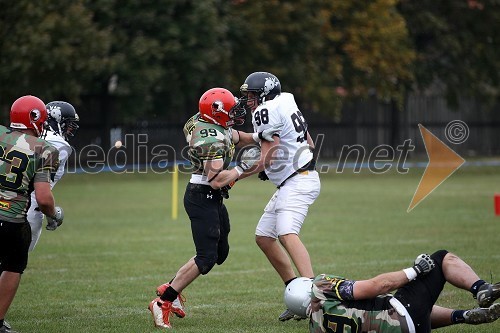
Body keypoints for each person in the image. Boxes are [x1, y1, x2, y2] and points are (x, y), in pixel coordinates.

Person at [148, 87, 282, 329]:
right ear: (216, 114)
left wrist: (258, 136)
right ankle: (163, 301)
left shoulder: (206, 121)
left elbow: (234, 136)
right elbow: (217, 179)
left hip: (211, 196)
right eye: (230, 111)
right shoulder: (209, 140)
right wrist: (246, 167)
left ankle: (171, 288)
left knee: (220, 253)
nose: (235, 115)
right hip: (203, 195)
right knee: (207, 257)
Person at [237, 71, 321, 321]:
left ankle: (315, 300)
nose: (248, 101)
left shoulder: (265, 111)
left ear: (263, 94)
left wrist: (233, 176)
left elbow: (267, 157)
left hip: (298, 180)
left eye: (251, 95)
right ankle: (295, 291)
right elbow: (309, 141)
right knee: (264, 237)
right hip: (296, 177)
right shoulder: (285, 99)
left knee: (286, 233)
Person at [283, 250, 500, 332]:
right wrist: (415, 270)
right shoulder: (320, 286)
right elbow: (375, 287)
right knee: (443, 258)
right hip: (402, 315)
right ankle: (481, 288)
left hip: (409, 326)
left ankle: (462, 316)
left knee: (408, 314)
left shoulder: (315, 329)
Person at [0, 95, 64, 333]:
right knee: (13, 265)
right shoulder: (43, 149)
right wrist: (54, 214)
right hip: (12, 219)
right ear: (35, 118)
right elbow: (44, 198)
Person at [27, 101, 79, 251]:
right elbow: (41, 192)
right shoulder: (59, 145)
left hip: (5, 203)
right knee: (13, 267)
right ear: (57, 119)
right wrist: (53, 214)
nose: (70, 130)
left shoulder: (25, 135)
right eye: (68, 124)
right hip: (26, 211)